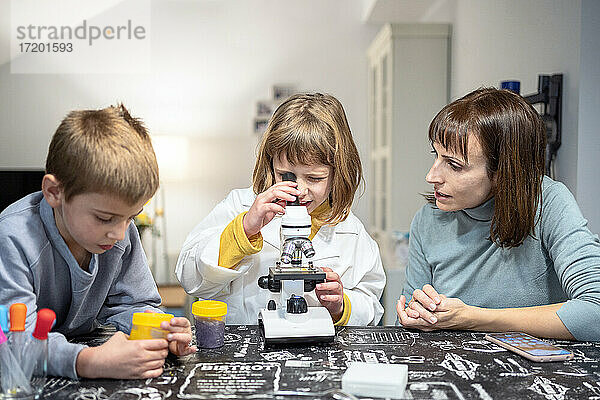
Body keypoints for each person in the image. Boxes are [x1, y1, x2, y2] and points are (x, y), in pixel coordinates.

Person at [0, 105, 196, 380]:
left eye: (132, 216)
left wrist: (160, 330)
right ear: (54, 192)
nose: (119, 233)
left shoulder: (121, 231)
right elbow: (12, 342)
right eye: (105, 218)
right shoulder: (12, 237)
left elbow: (135, 304)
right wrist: (88, 361)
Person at [397, 87, 600, 341]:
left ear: (502, 173)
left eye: (454, 165)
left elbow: (595, 312)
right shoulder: (428, 220)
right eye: (436, 156)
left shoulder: (549, 203)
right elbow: (407, 321)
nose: (432, 176)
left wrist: (473, 319)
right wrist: (415, 317)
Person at [176, 93, 385, 326]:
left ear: (338, 173)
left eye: (314, 178)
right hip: (248, 350)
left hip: (318, 355)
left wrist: (341, 306)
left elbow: (371, 304)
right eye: (286, 176)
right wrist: (244, 229)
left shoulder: (351, 232)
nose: (300, 190)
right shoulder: (241, 205)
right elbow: (189, 277)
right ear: (270, 163)